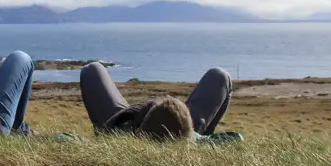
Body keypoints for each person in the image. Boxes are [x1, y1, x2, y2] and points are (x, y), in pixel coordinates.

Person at [80, 62, 232, 141]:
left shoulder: (118, 132)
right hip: (185, 134)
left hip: (118, 124)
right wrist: (202, 139)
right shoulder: (193, 139)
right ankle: (202, 130)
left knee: (92, 69)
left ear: (139, 131)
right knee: (219, 76)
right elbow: (234, 138)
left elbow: (63, 138)